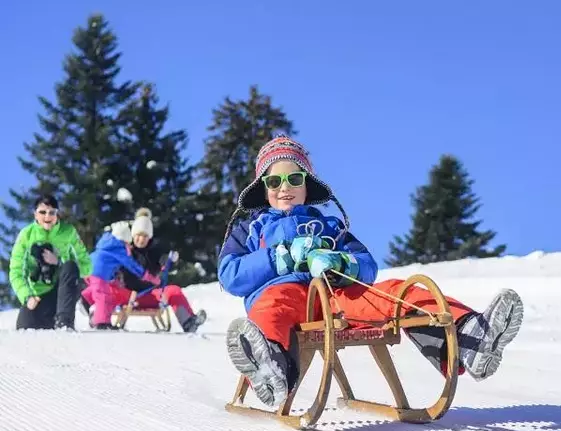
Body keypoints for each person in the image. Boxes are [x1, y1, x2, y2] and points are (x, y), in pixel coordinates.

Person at [218, 135, 525, 408]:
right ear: (263, 188)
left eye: (294, 179)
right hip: (282, 294)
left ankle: (470, 337)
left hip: (333, 296)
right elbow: (230, 274)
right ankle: (270, 367)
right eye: (274, 182)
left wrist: (340, 263)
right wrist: (279, 258)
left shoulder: (329, 226)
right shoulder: (249, 229)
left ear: (306, 185)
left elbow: (366, 264)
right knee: (270, 311)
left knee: (393, 292)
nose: (285, 188)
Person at [9, 194, 92, 330]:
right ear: (35, 214)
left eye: (51, 212)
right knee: (24, 328)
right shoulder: (26, 235)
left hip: (62, 291)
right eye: (42, 212)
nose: (47, 217)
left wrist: (59, 262)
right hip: (37, 296)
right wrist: (26, 296)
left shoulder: (68, 232)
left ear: (56, 214)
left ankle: (64, 323)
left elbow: (86, 267)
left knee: (70, 266)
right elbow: (15, 271)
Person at [119, 207, 206, 333]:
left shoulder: (154, 251)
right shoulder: (126, 252)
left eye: (145, 236)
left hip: (149, 295)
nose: (141, 239)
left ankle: (188, 322)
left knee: (173, 291)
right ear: (133, 235)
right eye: (138, 235)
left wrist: (169, 260)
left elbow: (162, 259)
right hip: (128, 296)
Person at [82, 220, 161, 329]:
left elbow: (109, 266)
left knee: (103, 293)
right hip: (98, 273)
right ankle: (101, 323)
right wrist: (149, 277)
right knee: (103, 297)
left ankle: (86, 296)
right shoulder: (119, 249)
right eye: (128, 243)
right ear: (124, 240)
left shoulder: (107, 245)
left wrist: (114, 280)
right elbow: (133, 266)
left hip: (89, 270)